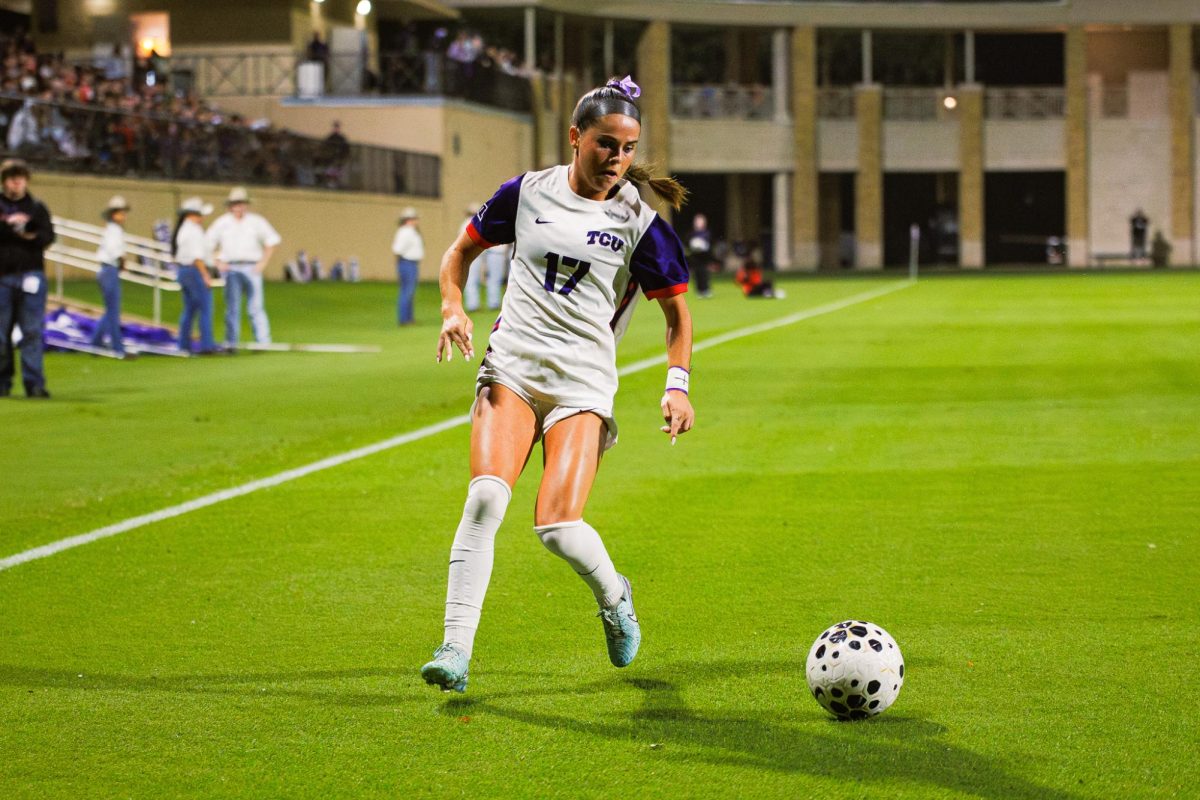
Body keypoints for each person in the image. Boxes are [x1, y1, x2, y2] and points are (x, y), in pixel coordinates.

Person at [420, 75, 694, 693]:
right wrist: (451, 308)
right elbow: (457, 255)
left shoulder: (641, 224)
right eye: (605, 145)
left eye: (627, 149)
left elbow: (678, 317)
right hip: (511, 367)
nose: (617, 160)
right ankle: (454, 649)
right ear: (575, 138)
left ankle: (614, 595)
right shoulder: (526, 192)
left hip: (582, 384)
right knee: (486, 500)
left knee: (557, 527)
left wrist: (677, 384)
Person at [0, 158, 55, 398]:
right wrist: (14, 230)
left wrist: (27, 233)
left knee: (32, 331)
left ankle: (34, 384)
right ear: (4, 182)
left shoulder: (37, 208)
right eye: (12, 178)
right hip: (2, 277)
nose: (16, 182)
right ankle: (2, 382)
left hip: (32, 276)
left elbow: (47, 236)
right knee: (0, 333)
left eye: (20, 177)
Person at [206, 186, 281, 347]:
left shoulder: (256, 222)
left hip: (252, 267)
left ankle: (263, 342)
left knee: (256, 307)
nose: (239, 207)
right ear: (230, 205)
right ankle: (231, 343)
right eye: (236, 203)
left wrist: (263, 263)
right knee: (232, 308)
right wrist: (218, 262)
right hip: (231, 268)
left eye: (242, 203)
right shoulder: (222, 223)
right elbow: (207, 245)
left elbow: (272, 241)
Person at [173, 197, 218, 354]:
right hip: (194, 271)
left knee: (189, 309)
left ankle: (183, 344)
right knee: (205, 308)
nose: (202, 218)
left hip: (184, 271)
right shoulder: (193, 231)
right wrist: (205, 275)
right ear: (192, 215)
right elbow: (197, 257)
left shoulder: (183, 230)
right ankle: (207, 345)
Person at [89, 195, 130, 357]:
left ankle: (96, 343)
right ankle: (117, 347)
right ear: (114, 214)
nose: (124, 216)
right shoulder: (114, 230)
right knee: (113, 311)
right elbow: (116, 251)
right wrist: (122, 262)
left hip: (107, 270)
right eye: (121, 213)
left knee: (110, 310)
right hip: (109, 270)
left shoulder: (111, 229)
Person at [392, 207, 423, 325]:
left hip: (410, 263)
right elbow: (397, 249)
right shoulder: (405, 232)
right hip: (407, 263)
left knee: (409, 291)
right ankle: (404, 319)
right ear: (408, 219)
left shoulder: (411, 231)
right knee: (407, 291)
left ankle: (409, 318)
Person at [686, 213, 714, 298]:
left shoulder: (706, 232)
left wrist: (703, 246)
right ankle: (699, 290)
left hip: (704, 256)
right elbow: (688, 243)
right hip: (695, 257)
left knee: (704, 272)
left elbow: (710, 243)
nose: (698, 223)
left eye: (700, 221)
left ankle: (706, 289)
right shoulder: (692, 233)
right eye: (697, 221)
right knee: (697, 273)